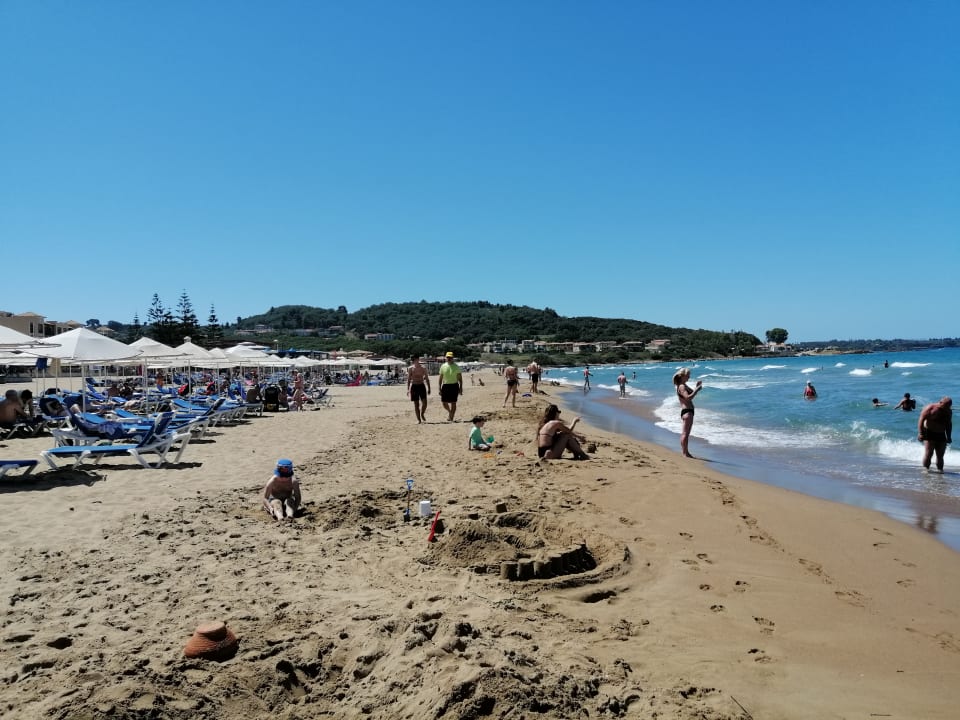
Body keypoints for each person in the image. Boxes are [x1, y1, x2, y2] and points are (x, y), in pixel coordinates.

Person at [918, 397, 953, 473]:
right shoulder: (930, 408)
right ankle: (926, 470)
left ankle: (940, 471)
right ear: (940, 403)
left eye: (949, 406)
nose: (947, 407)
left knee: (940, 455)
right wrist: (921, 433)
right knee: (929, 453)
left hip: (941, 434)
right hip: (929, 433)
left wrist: (949, 436)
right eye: (946, 405)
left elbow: (949, 424)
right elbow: (921, 420)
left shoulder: (948, 411)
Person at [673, 368, 702, 458]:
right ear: (682, 376)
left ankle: (685, 452)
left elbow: (690, 395)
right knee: (685, 433)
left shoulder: (683, 385)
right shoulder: (682, 386)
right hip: (687, 411)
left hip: (687, 411)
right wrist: (697, 389)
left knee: (685, 433)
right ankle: (685, 453)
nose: (689, 377)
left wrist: (696, 388)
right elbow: (688, 398)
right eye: (688, 375)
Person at [438, 352, 463, 422]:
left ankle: (451, 417)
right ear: (446, 358)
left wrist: (461, 388)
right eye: (448, 357)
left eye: (450, 357)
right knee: (444, 402)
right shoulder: (443, 366)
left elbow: (460, 379)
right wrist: (439, 388)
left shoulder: (456, 366)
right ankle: (450, 412)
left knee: (453, 402)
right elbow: (440, 378)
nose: (449, 358)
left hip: (454, 385)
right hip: (445, 385)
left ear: (453, 358)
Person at [406, 356, 431, 423]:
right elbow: (408, 379)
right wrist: (408, 389)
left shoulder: (423, 368)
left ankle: (422, 413)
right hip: (414, 386)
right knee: (416, 404)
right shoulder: (410, 368)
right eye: (413, 360)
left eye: (416, 359)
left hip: (421, 385)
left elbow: (427, 378)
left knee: (425, 403)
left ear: (418, 359)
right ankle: (419, 420)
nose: (415, 361)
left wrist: (429, 388)